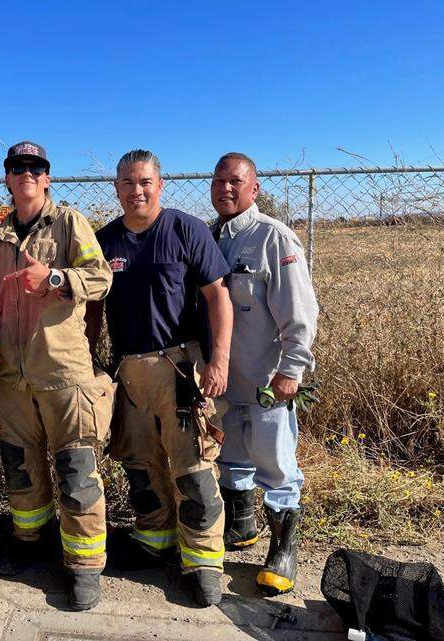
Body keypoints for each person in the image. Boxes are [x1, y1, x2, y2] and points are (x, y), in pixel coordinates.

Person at [87, 149, 234, 607]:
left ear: (160, 184)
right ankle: (155, 541)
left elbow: (218, 298)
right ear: (116, 188)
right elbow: (91, 310)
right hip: (128, 371)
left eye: (145, 181)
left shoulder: (184, 229)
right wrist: (91, 360)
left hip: (180, 368)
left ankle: (204, 560)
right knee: (140, 466)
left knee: (193, 468)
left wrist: (219, 359)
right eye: (128, 183)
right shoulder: (103, 241)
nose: (137, 190)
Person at [0, 141, 115, 610]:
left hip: (63, 372)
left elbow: (101, 278)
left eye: (34, 167)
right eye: (16, 167)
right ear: (8, 178)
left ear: (47, 177)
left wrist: (57, 279)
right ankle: (28, 540)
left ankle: (84, 566)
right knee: (21, 467)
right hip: (11, 375)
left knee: (77, 469)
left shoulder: (69, 222)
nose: (25, 173)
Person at [208, 152, 318, 596]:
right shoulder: (210, 237)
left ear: (254, 188)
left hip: (266, 381)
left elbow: (301, 312)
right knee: (231, 458)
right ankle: (241, 526)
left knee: (275, 464)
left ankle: (283, 550)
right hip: (222, 381)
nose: (225, 189)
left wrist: (291, 371)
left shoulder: (273, 238)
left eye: (235, 181)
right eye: (218, 181)